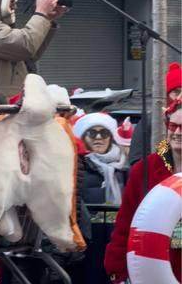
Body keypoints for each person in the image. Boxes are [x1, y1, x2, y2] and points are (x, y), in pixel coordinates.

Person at [104, 98, 182, 283]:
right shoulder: (145, 169)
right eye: (173, 126)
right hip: (154, 267)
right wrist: (118, 272)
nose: (178, 132)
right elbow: (125, 224)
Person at [72, 112, 129, 284]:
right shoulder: (77, 165)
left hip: (117, 236)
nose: (98, 137)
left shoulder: (124, 166)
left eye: (104, 132)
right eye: (92, 133)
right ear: (83, 137)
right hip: (89, 238)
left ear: (111, 137)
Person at [129, 61, 182, 165]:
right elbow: (137, 161)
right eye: (176, 92)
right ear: (166, 94)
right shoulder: (150, 121)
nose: (180, 97)